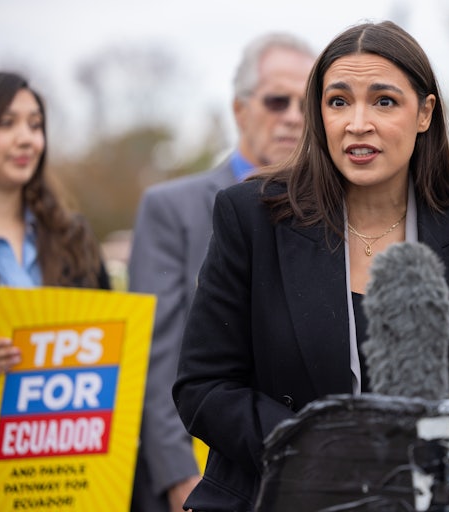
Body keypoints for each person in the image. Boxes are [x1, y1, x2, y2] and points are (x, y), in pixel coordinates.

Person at [172, 20, 449, 510]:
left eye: (384, 101)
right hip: (272, 494)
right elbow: (204, 386)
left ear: (425, 112)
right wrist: (321, 454)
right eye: (338, 101)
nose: (357, 122)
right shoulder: (252, 216)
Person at [127, 34, 315, 512]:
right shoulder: (173, 209)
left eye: (307, 102)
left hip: (306, 478)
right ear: (240, 109)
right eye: (277, 100)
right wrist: (179, 478)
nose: (293, 115)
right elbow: (156, 354)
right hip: (206, 481)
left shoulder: (338, 215)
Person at [0, 71, 110, 373]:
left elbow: (108, 339)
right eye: (7, 123)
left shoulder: (73, 235)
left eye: (35, 125)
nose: (26, 139)